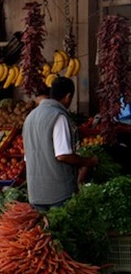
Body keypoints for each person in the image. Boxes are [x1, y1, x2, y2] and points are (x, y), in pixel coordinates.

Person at [22, 77, 98, 211]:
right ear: (68, 96)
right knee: (61, 229)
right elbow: (63, 155)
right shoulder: (58, 116)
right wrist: (88, 161)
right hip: (58, 194)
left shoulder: (30, 117)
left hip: (35, 192)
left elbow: (28, 157)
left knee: (43, 231)